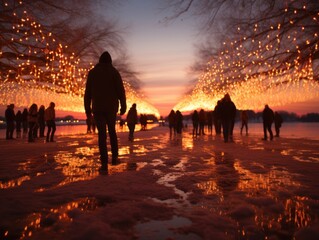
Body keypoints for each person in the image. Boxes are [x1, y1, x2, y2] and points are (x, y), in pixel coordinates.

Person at [84, 51, 126, 172]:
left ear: (100, 61)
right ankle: (114, 156)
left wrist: (88, 110)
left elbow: (87, 94)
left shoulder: (92, 73)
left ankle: (103, 161)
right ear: (110, 61)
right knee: (112, 131)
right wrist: (123, 106)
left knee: (101, 134)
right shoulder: (114, 72)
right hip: (111, 108)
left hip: (97, 108)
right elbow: (120, 91)